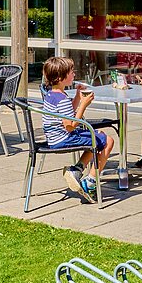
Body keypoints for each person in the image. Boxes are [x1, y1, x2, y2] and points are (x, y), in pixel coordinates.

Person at [40, 56, 113, 203]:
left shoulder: (53, 94)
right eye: (71, 72)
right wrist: (84, 105)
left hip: (54, 137)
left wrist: (78, 98)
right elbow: (70, 126)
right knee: (108, 141)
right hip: (64, 138)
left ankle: (77, 170)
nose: (74, 74)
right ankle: (90, 181)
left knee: (99, 136)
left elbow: (66, 116)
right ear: (61, 78)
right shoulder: (62, 99)